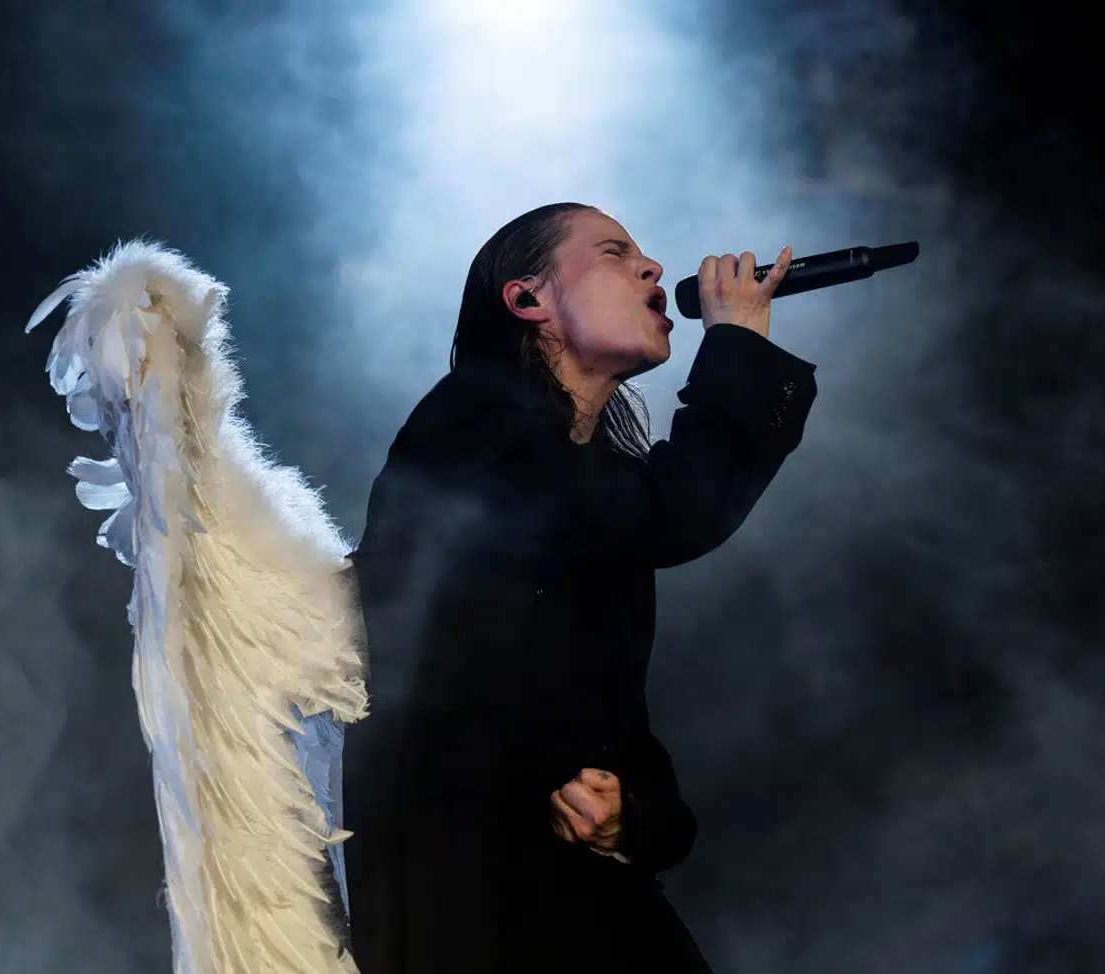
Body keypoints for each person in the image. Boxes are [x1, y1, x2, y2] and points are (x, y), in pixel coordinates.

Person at [342, 202, 818, 972]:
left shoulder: (596, 490)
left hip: (571, 900)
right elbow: (681, 508)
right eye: (614, 252)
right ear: (528, 301)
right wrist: (733, 343)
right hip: (471, 905)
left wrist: (627, 818)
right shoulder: (470, 425)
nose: (654, 268)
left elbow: (629, 748)